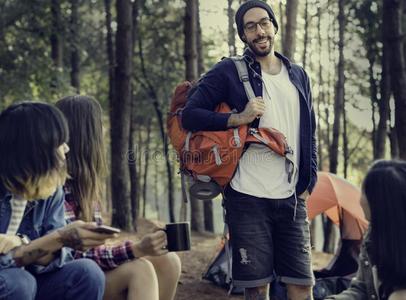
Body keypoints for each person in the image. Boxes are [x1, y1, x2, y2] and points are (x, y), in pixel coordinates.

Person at [181, 1, 317, 299]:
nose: (259, 31)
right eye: (250, 26)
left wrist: (309, 183)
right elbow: (189, 114)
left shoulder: (298, 75)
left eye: (264, 22)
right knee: (256, 288)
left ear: (274, 26)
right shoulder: (229, 71)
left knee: (302, 286)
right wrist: (238, 118)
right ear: (243, 35)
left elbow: (310, 133)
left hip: (292, 198)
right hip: (247, 196)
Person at [56, 95, 181, 300]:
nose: (104, 134)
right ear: (88, 135)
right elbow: (73, 255)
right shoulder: (57, 186)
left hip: (89, 268)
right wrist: (136, 249)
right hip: (70, 279)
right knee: (140, 270)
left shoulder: (86, 184)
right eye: (100, 127)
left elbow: (93, 247)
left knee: (168, 260)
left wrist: (147, 244)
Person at [0, 101, 116, 300]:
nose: (67, 148)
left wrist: (61, 239)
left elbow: (55, 258)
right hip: (15, 284)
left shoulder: (50, 189)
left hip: (29, 278)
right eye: (59, 142)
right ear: (36, 150)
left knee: (87, 273)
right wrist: (53, 240)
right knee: (19, 283)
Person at [326, 160, 406, 300]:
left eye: (364, 192)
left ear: (380, 200)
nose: (359, 200)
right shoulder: (372, 238)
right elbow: (362, 288)